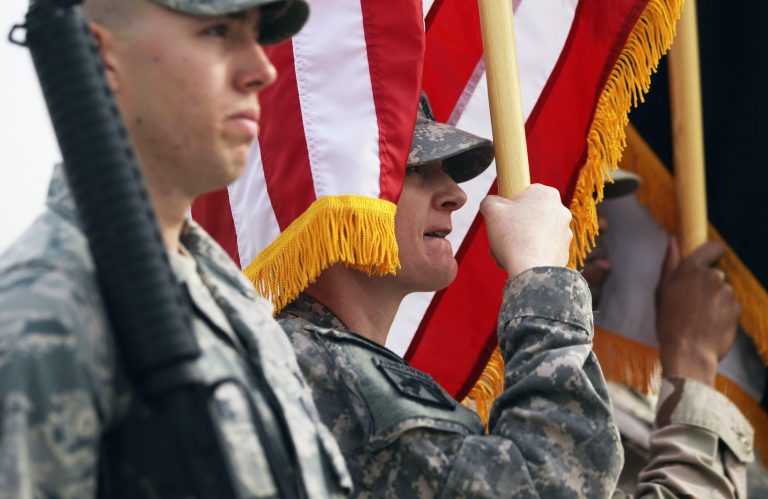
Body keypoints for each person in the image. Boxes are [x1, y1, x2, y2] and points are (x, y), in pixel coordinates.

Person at [0, 1, 351, 497]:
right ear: (100, 56)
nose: (263, 70)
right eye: (217, 32)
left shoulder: (232, 299)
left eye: (254, 35)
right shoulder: (40, 317)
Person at [278, 94, 624, 497]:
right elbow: (557, 481)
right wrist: (540, 273)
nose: (456, 195)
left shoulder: (323, 359)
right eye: (415, 169)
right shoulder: (302, 361)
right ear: (330, 193)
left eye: (444, 170)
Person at [582, 170, 759, 498]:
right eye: (566, 197)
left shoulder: (584, 389)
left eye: (594, 197)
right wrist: (691, 355)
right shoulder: (486, 406)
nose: (602, 223)